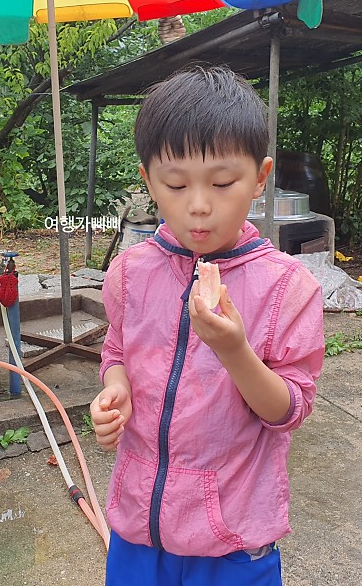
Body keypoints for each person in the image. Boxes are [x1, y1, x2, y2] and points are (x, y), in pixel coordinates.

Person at [90, 65, 325, 585]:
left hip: (231, 540)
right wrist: (115, 390)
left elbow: (289, 409)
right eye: (175, 184)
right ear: (149, 178)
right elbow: (117, 351)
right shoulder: (131, 272)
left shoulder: (287, 289)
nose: (198, 205)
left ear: (260, 178)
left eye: (222, 182)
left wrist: (235, 352)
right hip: (138, 528)